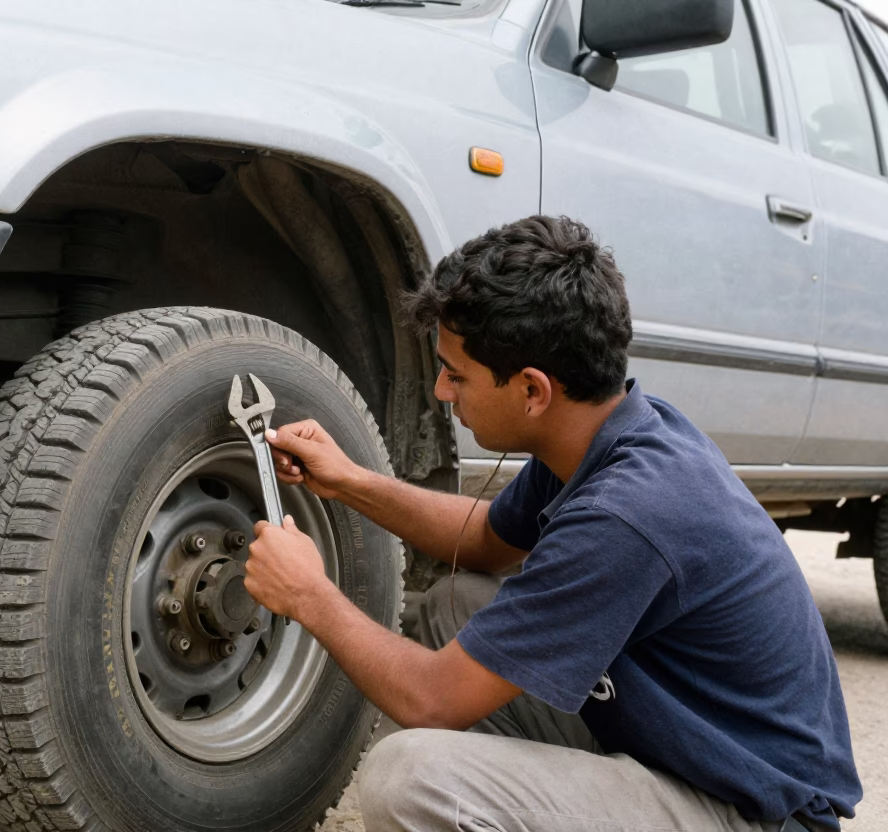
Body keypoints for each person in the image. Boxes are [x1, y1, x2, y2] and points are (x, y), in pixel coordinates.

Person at [242, 216, 861, 832]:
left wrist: (310, 596)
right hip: (684, 742)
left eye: (456, 375)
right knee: (456, 604)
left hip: (748, 809)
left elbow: (429, 697)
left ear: (533, 391)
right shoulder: (604, 434)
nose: (440, 391)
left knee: (413, 780)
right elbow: (483, 542)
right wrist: (350, 480)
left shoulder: (625, 515)